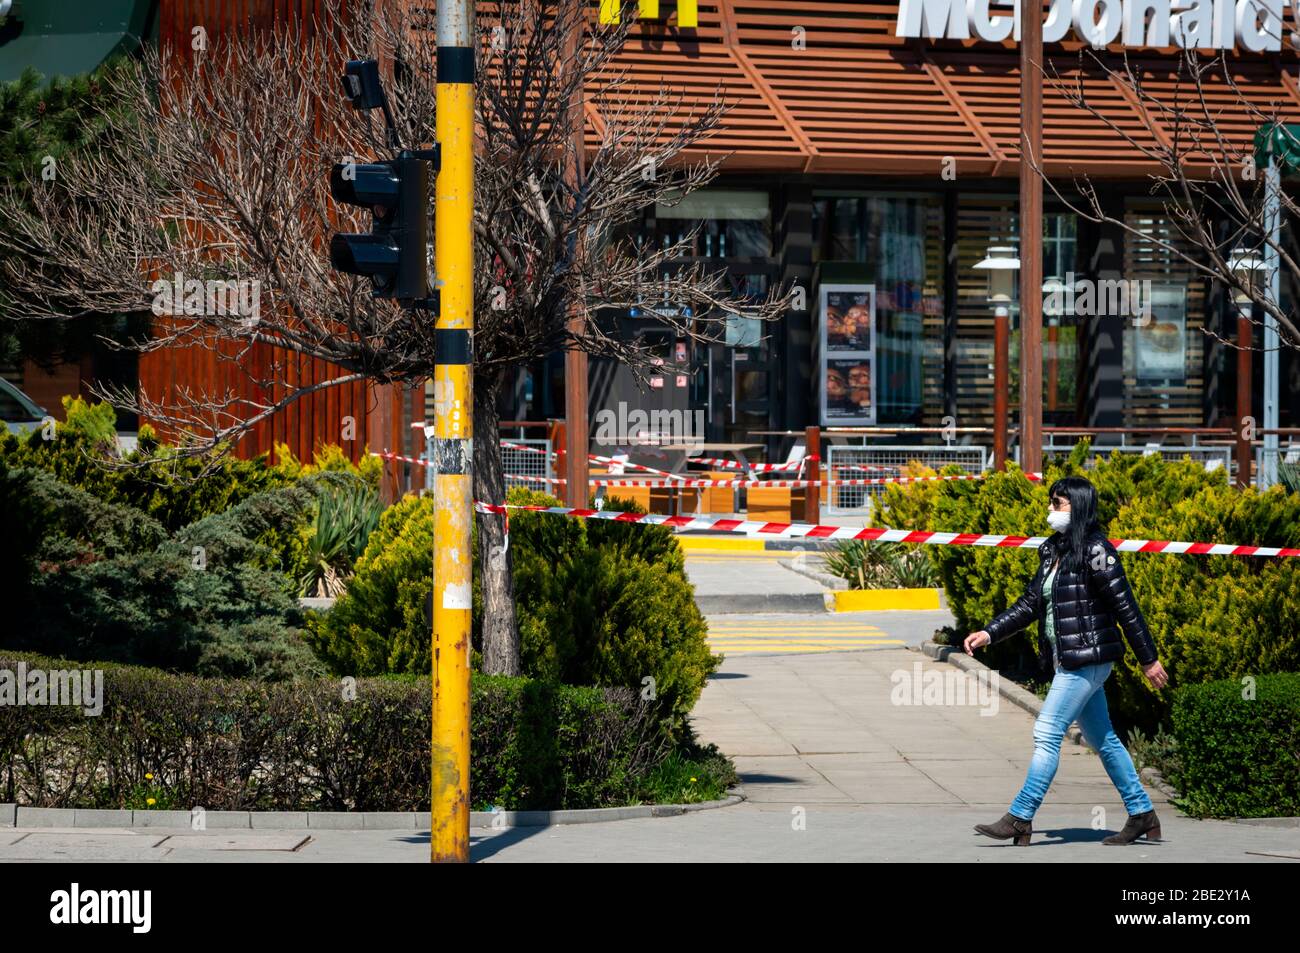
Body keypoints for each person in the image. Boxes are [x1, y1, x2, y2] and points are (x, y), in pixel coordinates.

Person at [962, 475, 1170, 846]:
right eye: (1051, 503)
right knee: (1103, 739)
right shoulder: (1052, 551)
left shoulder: (1097, 551)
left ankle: (1021, 817)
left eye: (1059, 504)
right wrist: (990, 632)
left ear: (1080, 507)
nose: (1051, 511)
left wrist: (1148, 660)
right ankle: (1143, 815)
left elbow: (1127, 608)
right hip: (1067, 658)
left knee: (1046, 732)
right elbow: (1030, 604)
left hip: (1087, 660)